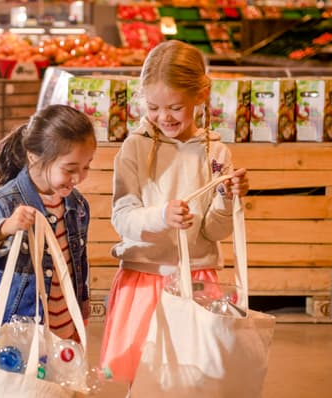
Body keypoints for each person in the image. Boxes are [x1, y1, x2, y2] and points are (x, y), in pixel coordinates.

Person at [99, 40, 250, 386]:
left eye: (175, 107)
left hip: (198, 279)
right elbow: (123, 217)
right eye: (153, 107)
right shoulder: (134, 148)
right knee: (145, 379)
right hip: (144, 277)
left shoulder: (216, 152)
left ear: (201, 95)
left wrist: (228, 199)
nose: (164, 117)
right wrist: (160, 216)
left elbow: (213, 231)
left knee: (194, 379)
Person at [0, 104, 97, 398]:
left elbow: (76, 265)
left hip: (61, 327)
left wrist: (79, 313)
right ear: (35, 157)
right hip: (15, 331)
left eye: (86, 167)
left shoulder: (77, 206)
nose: (78, 178)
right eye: (70, 169)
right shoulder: (7, 201)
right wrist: (6, 227)